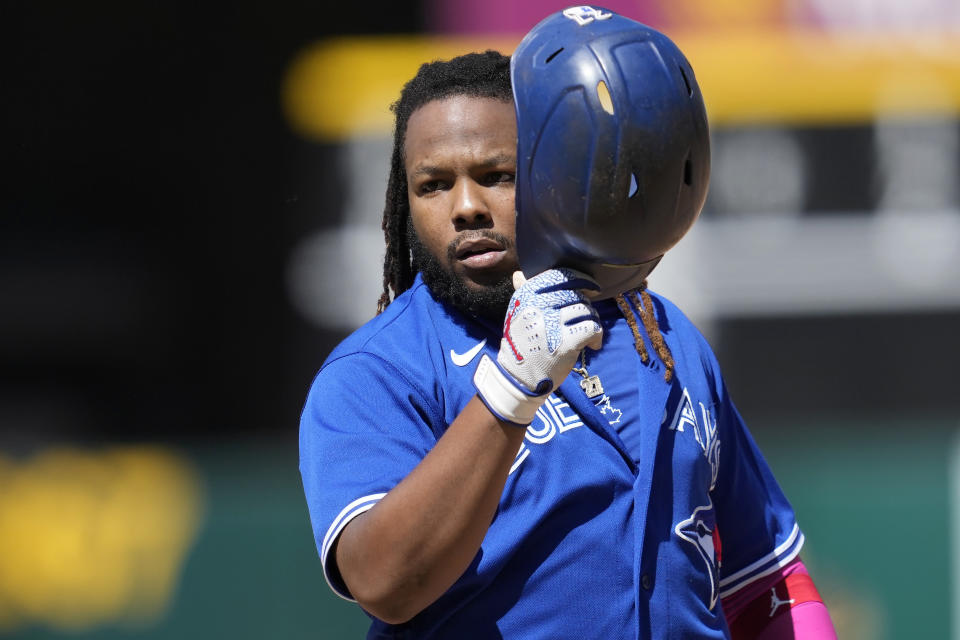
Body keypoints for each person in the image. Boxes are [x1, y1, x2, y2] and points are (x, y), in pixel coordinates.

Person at [300, 14, 837, 639]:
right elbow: (383, 582)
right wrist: (510, 388)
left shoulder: (664, 336)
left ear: (545, 171)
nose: (467, 205)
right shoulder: (377, 370)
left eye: (495, 175)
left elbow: (768, 581)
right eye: (433, 185)